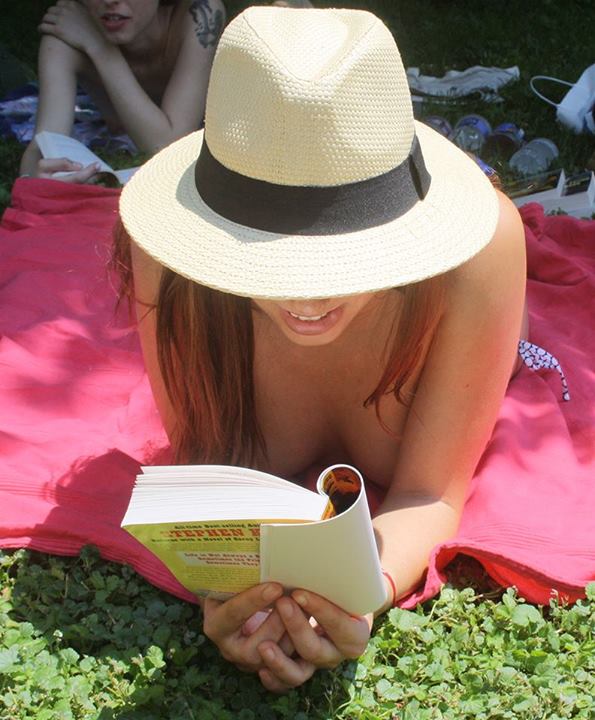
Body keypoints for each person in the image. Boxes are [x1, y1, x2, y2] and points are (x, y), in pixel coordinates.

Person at [116, 7, 528, 692]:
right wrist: (234, 600)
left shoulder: (478, 257)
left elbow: (431, 492)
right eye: (267, 259)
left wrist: (362, 595)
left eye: (339, 259)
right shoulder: (171, 264)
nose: (305, 300)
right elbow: (210, 480)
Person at [19, 0, 226, 182]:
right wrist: (35, 177)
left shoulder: (199, 14)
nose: (110, 1)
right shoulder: (67, 34)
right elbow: (44, 145)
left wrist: (100, 48)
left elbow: (169, 147)